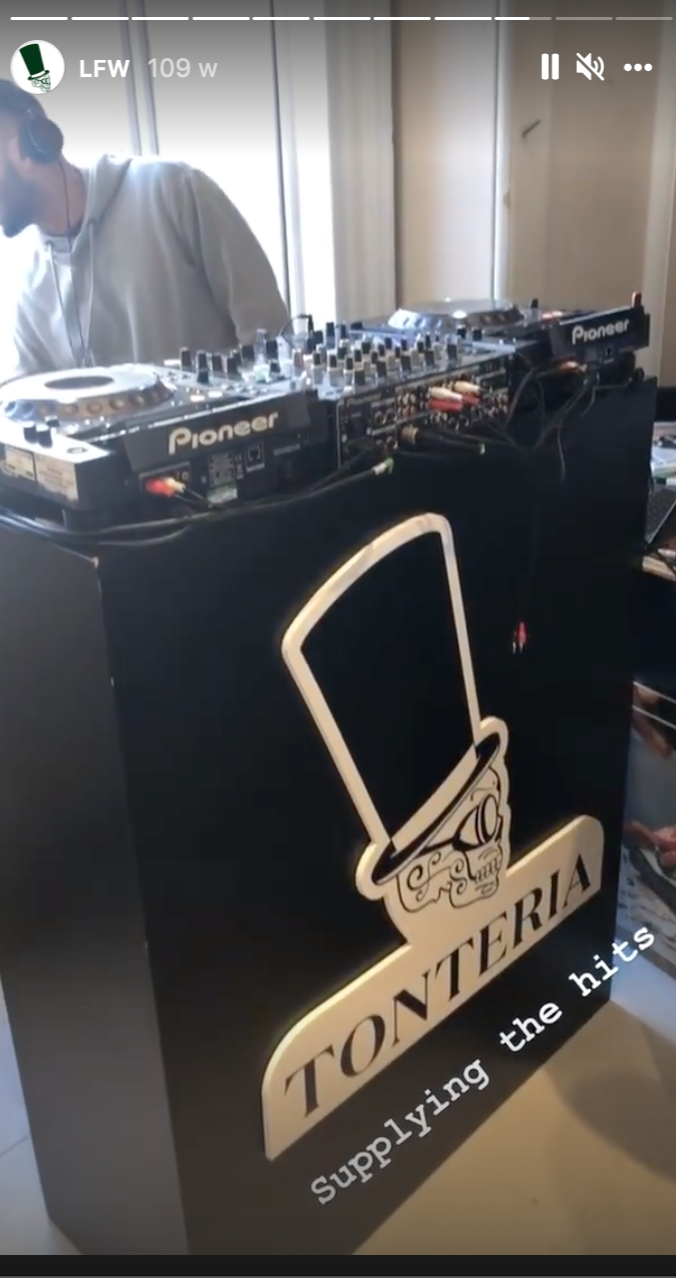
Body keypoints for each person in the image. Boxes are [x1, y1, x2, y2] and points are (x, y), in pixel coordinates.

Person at [0, 79, 289, 381]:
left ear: (29, 144)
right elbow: (25, 397)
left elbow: (271, 338)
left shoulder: (173, 190)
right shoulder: (27, 289)